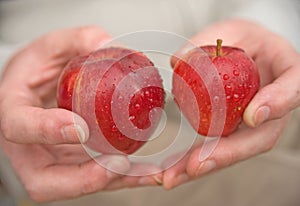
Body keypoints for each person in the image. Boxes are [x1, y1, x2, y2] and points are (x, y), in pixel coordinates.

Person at [0, 0, 300, 205]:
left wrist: (267, 25)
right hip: (58, 108)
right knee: (287, 185)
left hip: (240, 73)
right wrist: (6, 70)